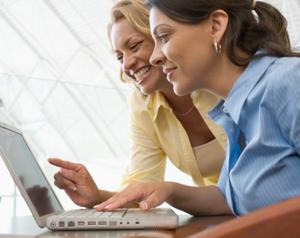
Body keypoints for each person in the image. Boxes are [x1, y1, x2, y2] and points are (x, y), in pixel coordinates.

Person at [95, 0, 300, 216]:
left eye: (164, 37)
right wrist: (169, 190)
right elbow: (227, 198)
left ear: (215, 27)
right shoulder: (232, 110)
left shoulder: (288, 83)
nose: (155, 57)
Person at [48, 0, 227, 208]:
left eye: (134, 46)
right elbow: (140, 188)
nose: (126, 64)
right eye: (119, 57)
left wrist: (170, 191)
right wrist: (96, 197)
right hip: (220, 211)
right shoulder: (144, 105)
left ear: (162, 36)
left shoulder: (218, 77)